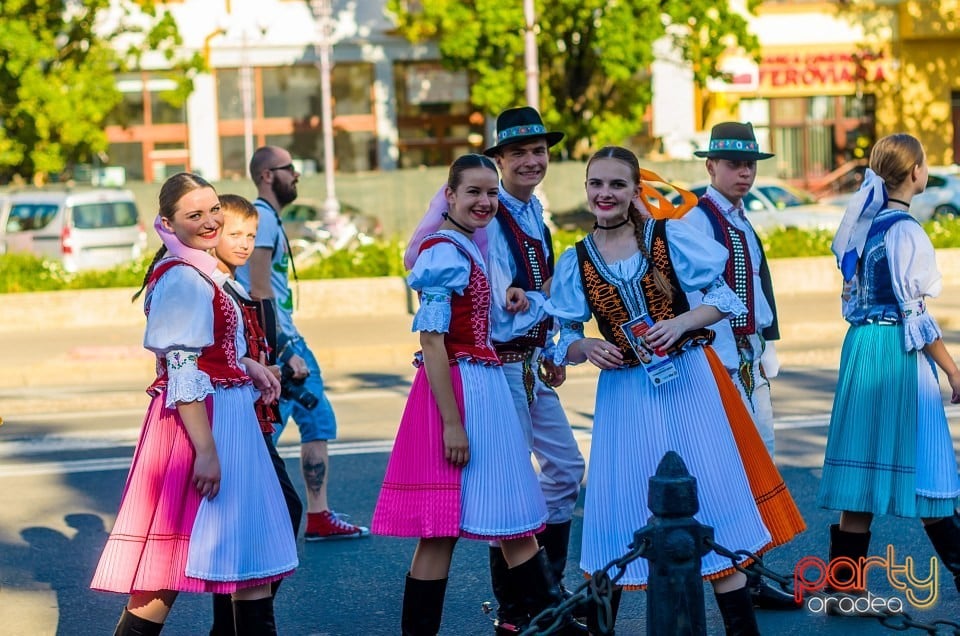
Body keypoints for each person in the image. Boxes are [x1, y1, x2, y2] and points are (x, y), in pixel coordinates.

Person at [545, 146, 805, 635]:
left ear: (633, 191)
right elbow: (563, 338)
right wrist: (586, 346)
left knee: (710, 497)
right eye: (596, 183)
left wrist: (682, 323)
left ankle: (740, 629)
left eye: (617, 184)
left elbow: (724, 298)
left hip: (689, 383)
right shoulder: (575, 259)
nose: (605, 193)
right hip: (624, 394)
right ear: (586, 188)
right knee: (619, 503)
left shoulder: (667, 238)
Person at [372, 154, 582, 636]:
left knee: (491, 522)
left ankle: (546, 622)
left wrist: (520, 301)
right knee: (461, 526)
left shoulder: (466, 245)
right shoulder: (444, 250)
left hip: (479, 382)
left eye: (491, 193)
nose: (485, 201)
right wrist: (451, 422)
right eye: (473, 192)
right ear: (449, 195)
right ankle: (551, 624)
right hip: (466, 391)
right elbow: (431, 341)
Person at [90, 173, 298, 635]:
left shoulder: (202, 271)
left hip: (228, 418)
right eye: (195, 215)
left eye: (213, 211)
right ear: (168, 223)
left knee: (248, 559)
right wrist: (205, 451)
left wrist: (248, 365)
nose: (209, 222)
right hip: (200, 424)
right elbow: (181, 368)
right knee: (168, 566)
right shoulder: (183, 277)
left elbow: (209, 353)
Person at [817, 133, 960, 595]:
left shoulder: (866, 225)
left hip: (862, 347)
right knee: (931, 471)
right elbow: (915, 313)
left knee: (860, 476)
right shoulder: (905, 231)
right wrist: (954, 369)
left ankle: (844, 590)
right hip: (895, 352)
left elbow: (852, 298)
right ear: (916, 172)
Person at [683, 122, 797, 610]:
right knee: (733, 470)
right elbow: (691, 295)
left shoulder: (741, 218)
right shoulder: (696, 219)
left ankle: (751, 571)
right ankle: (737, 574)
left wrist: (769, 339)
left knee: (761, 463)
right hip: (721, 359)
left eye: (749, 164)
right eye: (733, 164)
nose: (744, 172)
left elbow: (758, 281)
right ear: (711, 166)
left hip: (749, 356)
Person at [481, 106, 587, 626]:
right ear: (499, 159)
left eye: (538, 151)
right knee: (513, 488)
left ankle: (547, 588)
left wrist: (551, 347)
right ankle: (520, 608)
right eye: (518, 152)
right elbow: (506, 302)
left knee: (566, 469)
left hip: (528, 362)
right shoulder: (491, 212)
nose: (531, 161)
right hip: (499, 365)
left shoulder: (533, 212)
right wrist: (549, 321)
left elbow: (538, 291)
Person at [236, 146, 369, 541]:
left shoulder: (268, 218)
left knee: (314, 420)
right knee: (264, 432)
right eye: (288, 169)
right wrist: (283, 349)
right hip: (281, 339)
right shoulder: (261, 219)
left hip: (284, 335)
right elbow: (259, 290)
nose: (296, 175)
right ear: (266, 176)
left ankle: (318, 513)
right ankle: (251, 510)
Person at [208, 193, 304, 635]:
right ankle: (232, 625)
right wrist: (249, 364)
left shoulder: (233, 285)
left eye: (252, 235)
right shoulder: (209, 284)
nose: (246, 243)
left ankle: (231, 625)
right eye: (236, 234)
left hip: (250, 417)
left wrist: (267, 361)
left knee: (268, 517)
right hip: (227, 420)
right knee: (272, 515)